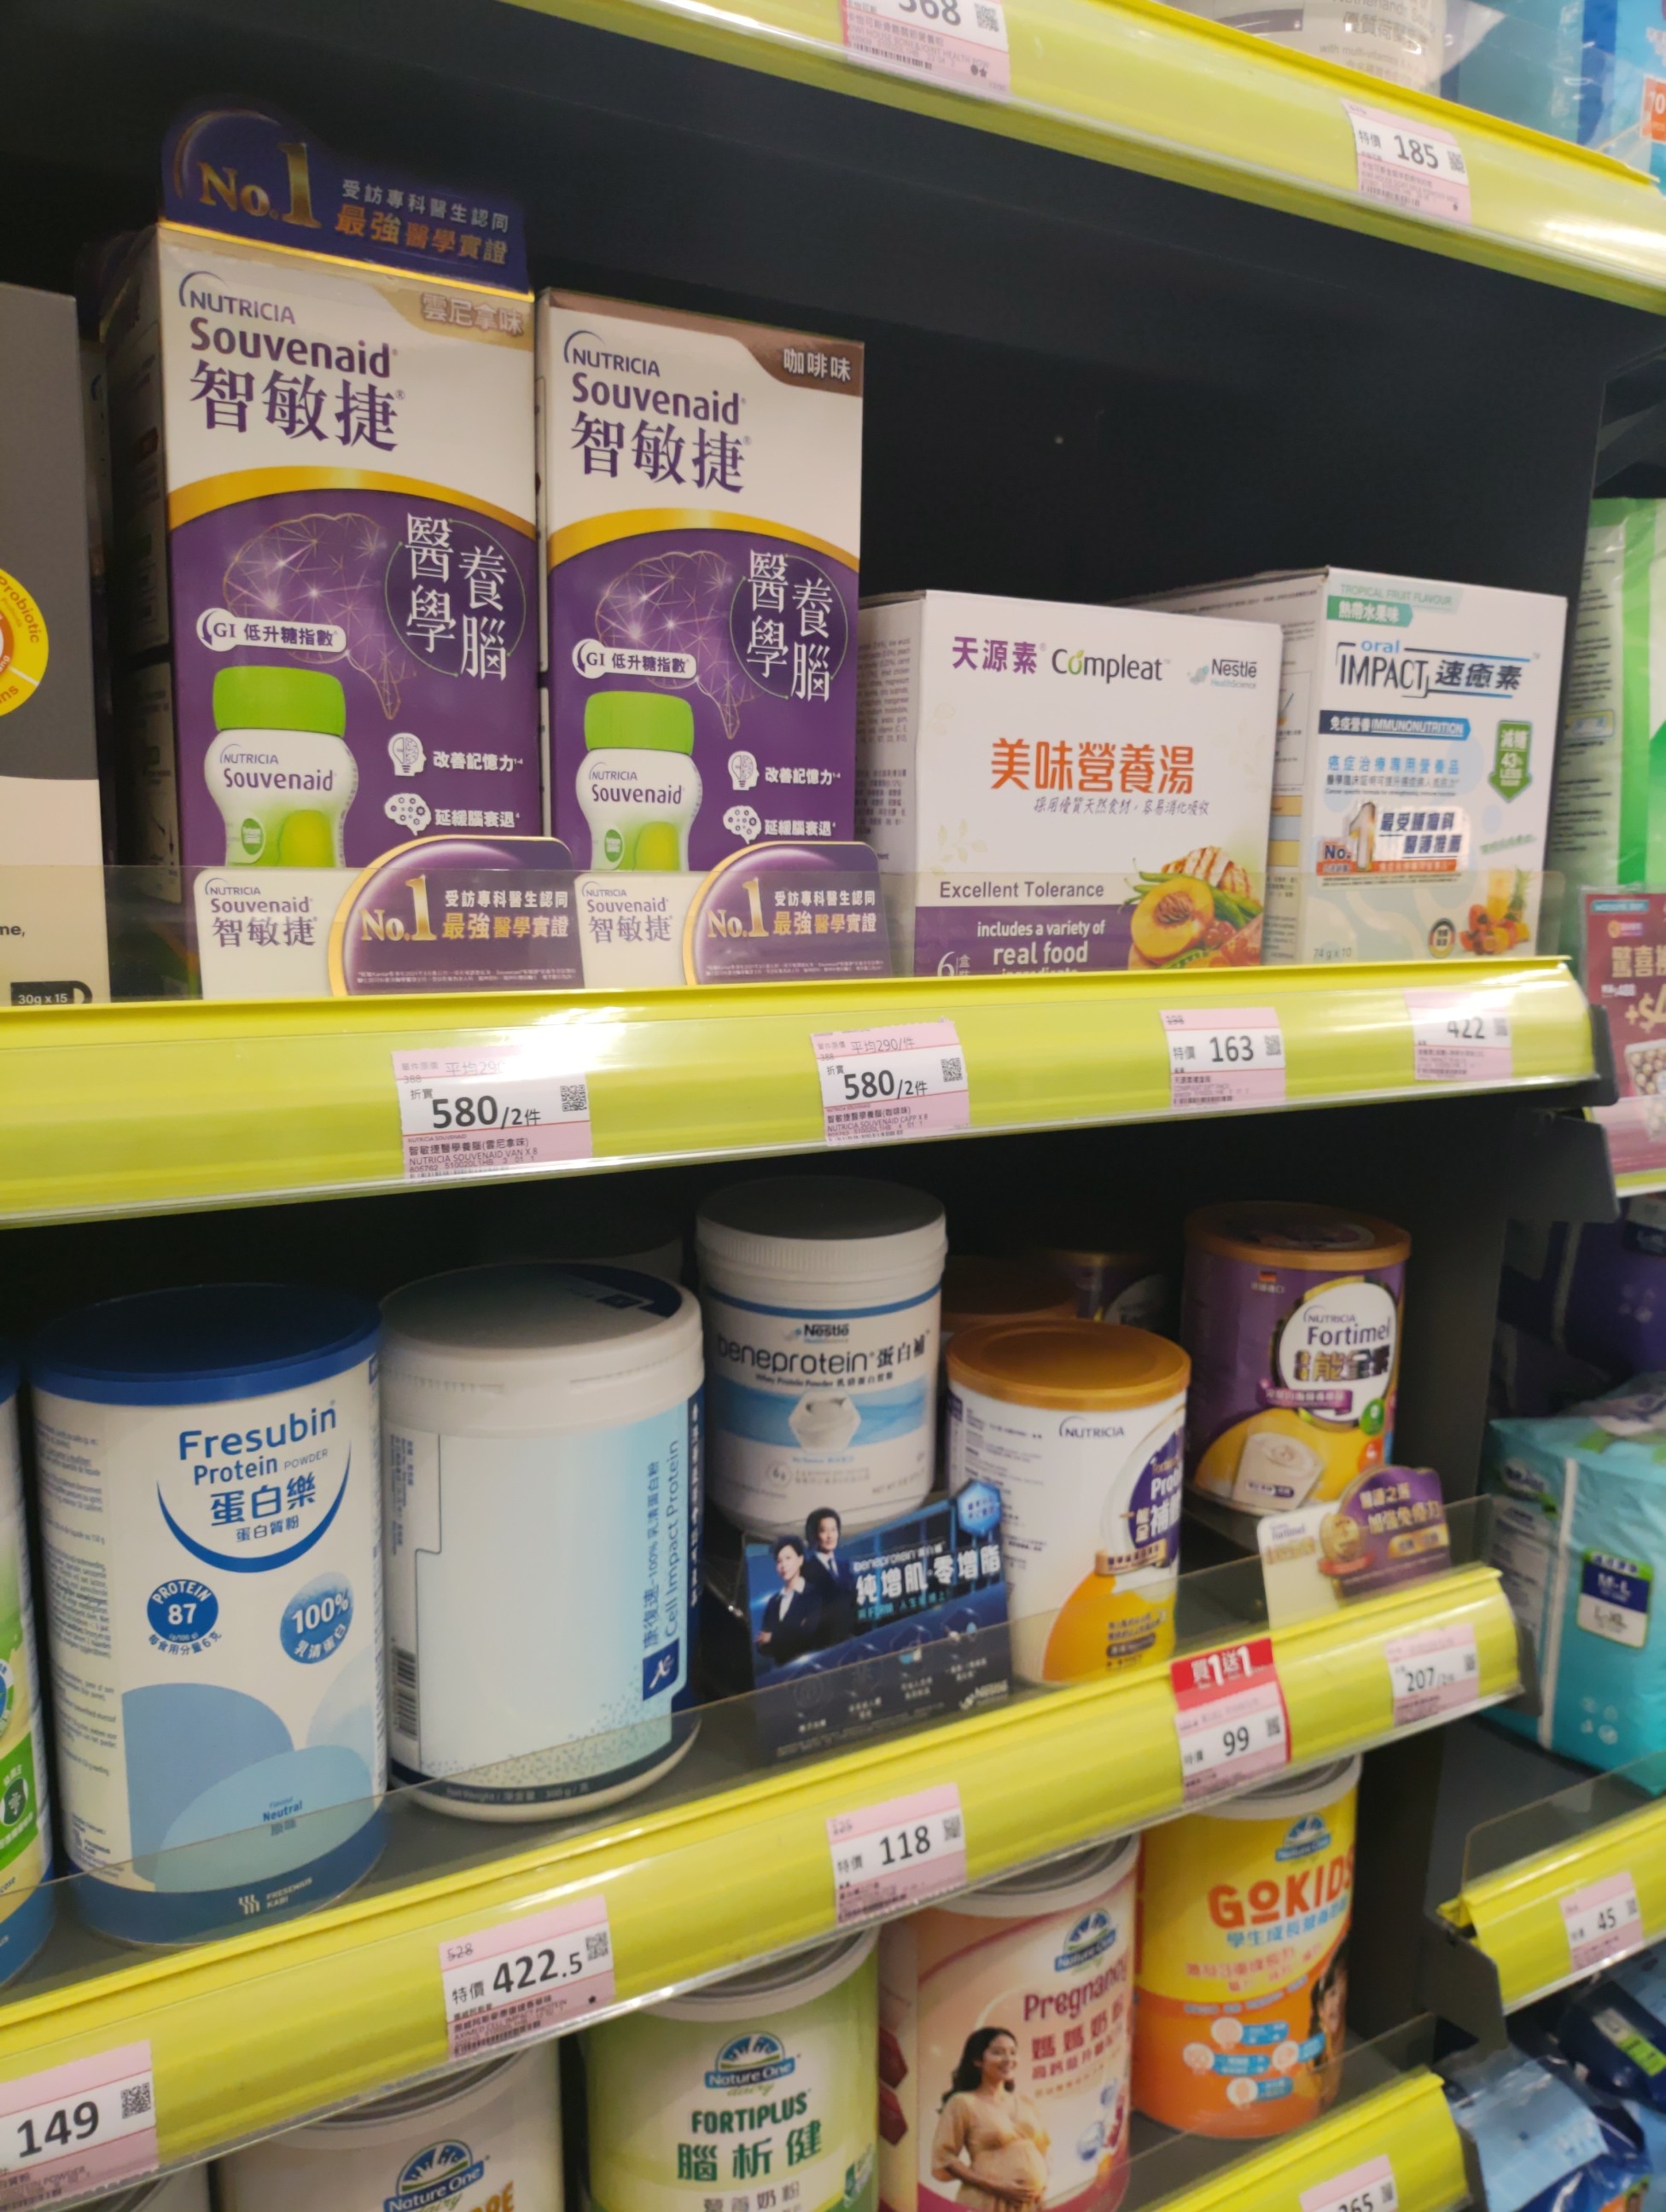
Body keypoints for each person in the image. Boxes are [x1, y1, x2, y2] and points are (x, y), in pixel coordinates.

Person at [930, 2027, 1049, 2210]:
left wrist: (1043, 2186)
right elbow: (944, 2157)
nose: (1008, 2059)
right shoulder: (963, 2103)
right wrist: (996, 2187)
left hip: (1030, 2204)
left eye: (1013, 2052)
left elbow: (1043, 2149)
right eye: (998, 2053)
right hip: (988, 2201)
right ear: (977, 2060)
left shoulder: (1025, 2102)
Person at [756, 1537, 822, 1667]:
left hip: (810, 1667)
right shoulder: (774, 1602)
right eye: (779, 1561)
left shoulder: (814, 1594)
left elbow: (810, 1635)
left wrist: (773, 1637)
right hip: (781, 1670)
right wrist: (792, 1633)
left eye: (788, 1558)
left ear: (800, 1560)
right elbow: (762, 1644)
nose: (783, 1565)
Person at [802, 1506, 859, 1646]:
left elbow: (853, 1603)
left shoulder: (845, 1566)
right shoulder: (807, 1570)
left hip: (849, 1640)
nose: (830, 1536)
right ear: (814, 1534)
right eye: (824, 1531)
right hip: (822, 1645)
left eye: (834, 1530)